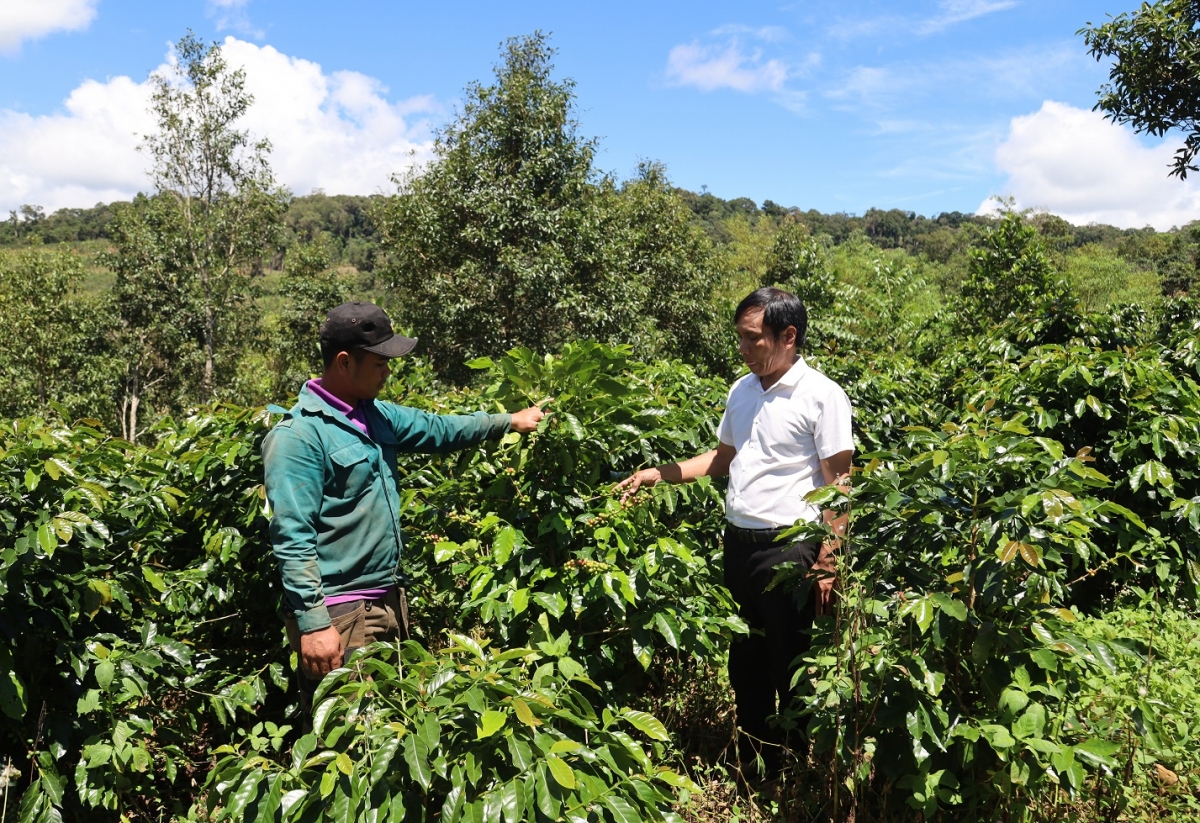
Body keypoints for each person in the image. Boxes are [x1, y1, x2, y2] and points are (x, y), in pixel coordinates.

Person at [617, 287, 853, 776]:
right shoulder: (741, 390)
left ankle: (795, 766)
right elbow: (723, 459)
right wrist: (658, 474)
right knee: (745, 657)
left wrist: (829, 560)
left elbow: (840, 483)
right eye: (740, 339)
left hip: (791, 548)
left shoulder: (823, 396)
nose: (743, 349)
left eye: (752, 339)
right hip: (739, 544)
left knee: (789, 658)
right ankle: (753, 756)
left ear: (788, 336)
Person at [262, 301, 545, 706]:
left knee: (394, 730)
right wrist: (313, 625)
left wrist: (507, 422)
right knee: (350, 743)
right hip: (341, 616)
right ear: (344, 363)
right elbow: (292, 539)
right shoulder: (299, 438)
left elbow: (439, 429)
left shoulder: (375, 416)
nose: (387, 372)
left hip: (387, 601)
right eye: (378, 364)